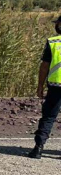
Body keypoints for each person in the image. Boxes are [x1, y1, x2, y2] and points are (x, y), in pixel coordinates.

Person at [29, 13, 61, 159]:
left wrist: (40, 85)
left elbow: (44, 66)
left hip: (55, 85)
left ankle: (38, 148)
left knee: (48, 117)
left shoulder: (53, 42)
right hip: (55, 85)